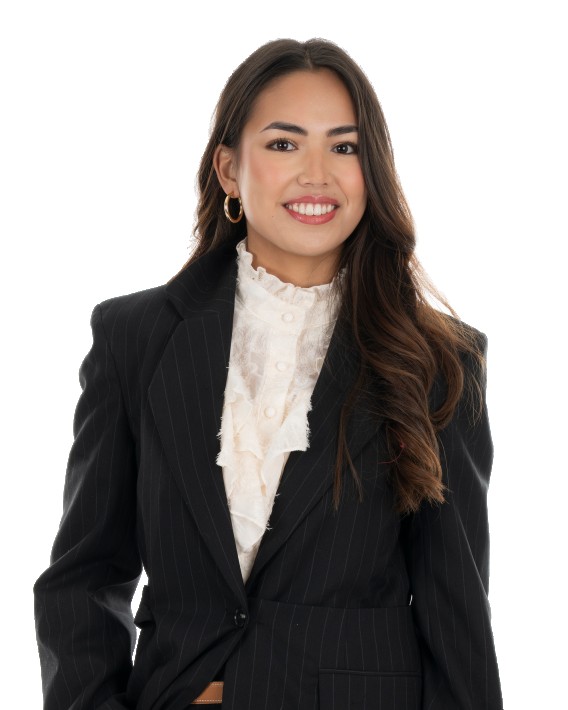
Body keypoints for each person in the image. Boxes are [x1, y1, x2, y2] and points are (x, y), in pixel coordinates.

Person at [33, 38, 503, 709]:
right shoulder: (135, 338)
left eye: (345, 147)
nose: (317, 174)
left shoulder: (437, 360)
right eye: (284, 144)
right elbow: (83, 577)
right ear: (229, 168)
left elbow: (457, 616)